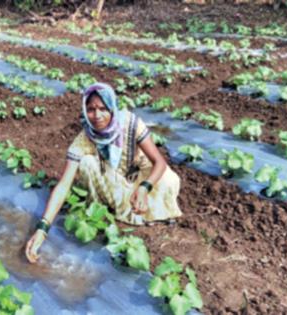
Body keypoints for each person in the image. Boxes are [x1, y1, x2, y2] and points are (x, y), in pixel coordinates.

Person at [25, 82, 182, 263]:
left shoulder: (130, 123)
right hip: (112, 179)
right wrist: (42, 230)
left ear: (112, 108)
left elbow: (159, 162)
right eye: (91, 109)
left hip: (139, 174)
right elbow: (64, 185)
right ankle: (122, 206)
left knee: (168, 180)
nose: (97, 115)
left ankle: (141, 204)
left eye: (102, 108)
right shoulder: (84, 138)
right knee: (86, 163)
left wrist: (145, 188)